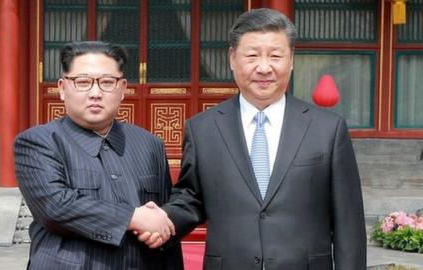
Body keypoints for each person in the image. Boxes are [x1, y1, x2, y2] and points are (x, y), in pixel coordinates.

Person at [140, 8, 366, 270]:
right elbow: (191, 198)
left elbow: (349, 223)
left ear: (291, 59)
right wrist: (163, 220)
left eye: (275, 56)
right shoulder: (204, 129)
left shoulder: (328, 129)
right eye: (252, 55)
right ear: (232, 59)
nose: (264, 67)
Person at [13, 41, 183, 270]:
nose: (95, 93)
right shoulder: (38, 142)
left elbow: (160, 217)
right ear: (62, 88)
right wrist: (133, 217)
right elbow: (55, 206)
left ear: (123, 89)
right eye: (83, 82)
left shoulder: (149, 144)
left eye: (107, 82)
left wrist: (159, 234)